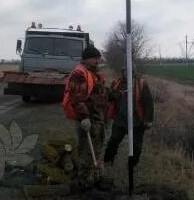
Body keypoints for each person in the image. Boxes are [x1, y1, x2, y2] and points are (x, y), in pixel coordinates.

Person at [62, 45, 109, 188]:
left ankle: (93, 177)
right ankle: (84, 181)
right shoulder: (79, 74)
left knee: (96, 148)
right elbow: (77, 98)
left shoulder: (93, 73)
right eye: (96, 58)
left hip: (97, 117)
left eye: (99, 58)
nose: (98, 61)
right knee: (87, 151)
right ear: (88, 59)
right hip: (88, 119)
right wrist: (84, 118)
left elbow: (99, 91)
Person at [104, 66, 154, 170]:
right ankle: (108, 160)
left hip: (137, 122)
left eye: (129, 70)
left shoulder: (141, 84)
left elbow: (148, 102)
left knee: (136, 146)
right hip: (120, 120)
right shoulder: (116, 83)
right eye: (125, 70)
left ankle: (132, 166)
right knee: (113, 141)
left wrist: (148, 120)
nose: (127, 72)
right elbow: (109, 98)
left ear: (133, 71)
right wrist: (112, 94)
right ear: (122, 72)